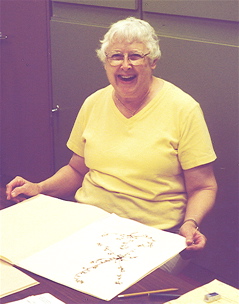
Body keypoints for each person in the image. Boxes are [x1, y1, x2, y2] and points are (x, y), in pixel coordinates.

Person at [6, 17, 217, 273]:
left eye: (135, 56)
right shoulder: (94, 103)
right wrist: (40, 188)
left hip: (152, 237)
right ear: (105, 63)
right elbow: (76, 170)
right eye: (115, 56)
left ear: (153, 62)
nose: (125, 65)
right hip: (86, 224)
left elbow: (203, 186)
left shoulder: (183, 109)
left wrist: (190, 223)